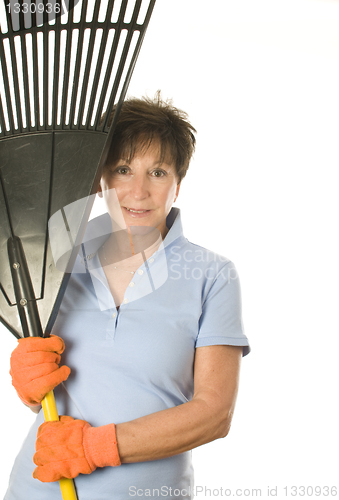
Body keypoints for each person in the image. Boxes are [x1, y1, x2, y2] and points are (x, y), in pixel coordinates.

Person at [6, 94, 250, 500]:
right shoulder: (54, 260)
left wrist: (96, 447)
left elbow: (214, 414)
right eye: (122, 169)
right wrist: (29, 387)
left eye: (157, 172)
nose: (138, 191)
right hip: (36, 490)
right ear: (99, 179)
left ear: (178, 184)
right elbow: (51, 397)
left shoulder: (212, 275)